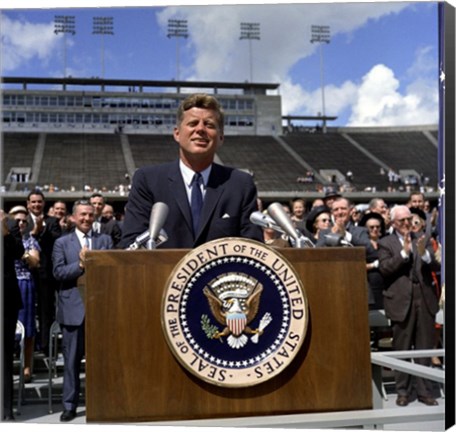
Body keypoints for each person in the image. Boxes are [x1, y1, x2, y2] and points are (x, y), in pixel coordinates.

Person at [120, 93, 263, 249]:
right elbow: (130, 245)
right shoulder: (148, 180)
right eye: (193, 123)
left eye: (209, 124)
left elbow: (253, 248)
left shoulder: (240, 184)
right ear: (177, 134)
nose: (200, 129)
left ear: (221, 137)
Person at [52, 200, 113, 422]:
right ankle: (69, 405)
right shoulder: (62, 243)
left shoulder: (104, 240)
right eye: (82, 215)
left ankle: (101, 403)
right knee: (71, 362)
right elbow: (57, 273)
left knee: (101, 361)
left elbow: (112, 272)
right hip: (73, 310)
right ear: (73, 218)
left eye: (90, 214)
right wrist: (80, 265)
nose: (87, 218)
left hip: (100, 310)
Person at [378, 205, 440, 407]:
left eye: (409, 219)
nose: (407, 224)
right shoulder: (386, 243)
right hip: (401, 300)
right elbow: (385, 269)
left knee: (423, 347)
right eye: (402, 221)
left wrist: (423, 253)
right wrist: (404, 253)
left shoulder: (422, 238)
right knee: (402, 348)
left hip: (424, 298)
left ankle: (425, 391)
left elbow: (436, 265)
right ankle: (403, 391)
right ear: (394, 223)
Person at [24, 189, 62, 354]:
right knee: (27, 310)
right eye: (33, 202)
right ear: (28, 204)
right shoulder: (22, 221)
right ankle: (26, 347)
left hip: (46, 274)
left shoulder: (52, 221)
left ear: (44, 203)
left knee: (46, 311)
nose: (36, 204)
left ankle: (46, 346)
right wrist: (35, 231)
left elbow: (57, 241)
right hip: (26, 275)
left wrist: (42, 230)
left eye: (39, 201)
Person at [9, 206, 41, 383]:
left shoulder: (29, 240)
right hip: (6, 282)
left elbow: (35, 261)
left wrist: (21, 253)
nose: (20, 223)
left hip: (24, 283)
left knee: (27, 328)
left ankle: (26, 366)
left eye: (24, 221)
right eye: (17, 220)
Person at [2, 209, 24, 421]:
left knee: (4, 356)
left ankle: (5, 410)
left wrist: (5, 232)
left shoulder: (9, 223)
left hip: (5, 300)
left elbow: (19, 252)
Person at [358, 212, 386, 310]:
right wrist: (374, 265)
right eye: (371, 227)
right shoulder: (360, 245)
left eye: (377, 227)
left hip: (385, 285)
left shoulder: (386, 242)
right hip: (369, 285)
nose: (375, 229)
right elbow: (357, 267)